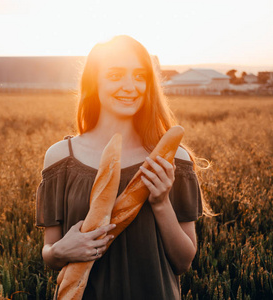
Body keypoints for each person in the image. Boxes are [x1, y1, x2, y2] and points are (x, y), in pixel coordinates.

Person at [36, 35, 206, 299]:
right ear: (94, 83)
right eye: (115, 75)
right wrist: (60, 251)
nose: (130, 86)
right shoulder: (61, 158)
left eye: (140, 76)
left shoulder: (173, 158)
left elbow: (184, 261)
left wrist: (161, 203)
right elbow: (49, 252)